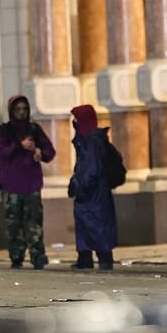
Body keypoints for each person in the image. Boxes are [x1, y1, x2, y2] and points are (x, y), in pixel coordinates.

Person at [0, 95, 55, 269]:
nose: (21, 113)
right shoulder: (5, 131)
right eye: (18, 109)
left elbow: (49, 151)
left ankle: (38, 256)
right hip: (12, 186)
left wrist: (39, 153)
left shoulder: (34, 129)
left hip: (31, 184)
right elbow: (0, 152)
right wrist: (19, 146)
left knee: (34, 223)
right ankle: (16, 255)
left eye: (24, 109)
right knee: (14, 224)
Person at [67, 104, 118, 270]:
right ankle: (85, 257)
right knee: (88, 225)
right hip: (93, 193)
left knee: (96, 225)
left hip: (93, 194)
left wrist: (80, 186)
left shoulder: (92, 141)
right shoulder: (89, 139)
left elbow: (90, 169)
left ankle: (103, 259)